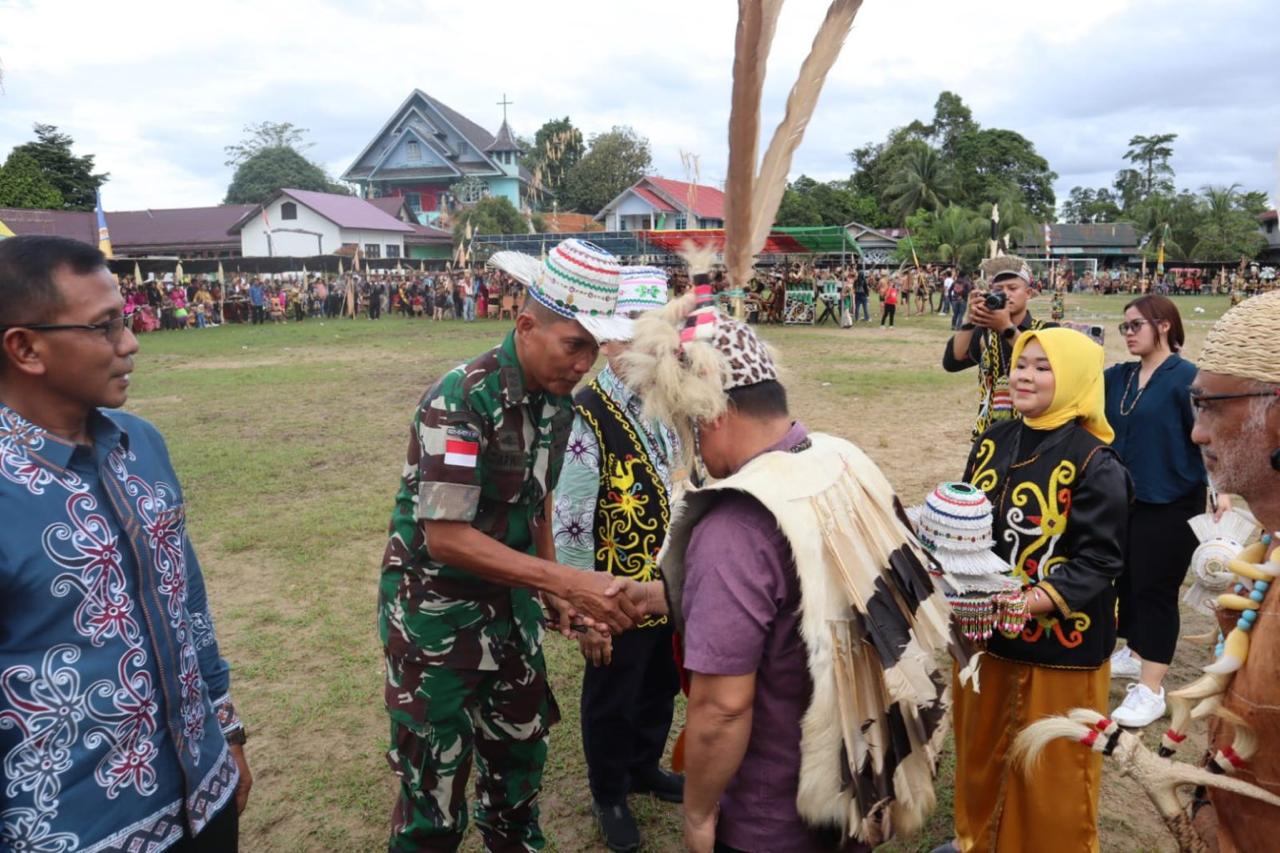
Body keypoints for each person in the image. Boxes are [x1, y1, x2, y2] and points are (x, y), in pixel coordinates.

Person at [614, 289, 957, 853]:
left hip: (772, 818)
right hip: (859, 780)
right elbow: (810, 591)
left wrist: (697, 815)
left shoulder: (736, 526)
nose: (687, 442)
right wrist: (660, 595)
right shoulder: (842, 461)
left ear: (710, 415)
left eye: (684, 425)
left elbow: (723, 708)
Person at [378, 238, 645, 851]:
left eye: (594, 349)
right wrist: (565, 580)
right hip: (436, 624)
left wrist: (554, 594)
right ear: (526, 326)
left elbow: (536, 503)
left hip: (512, 617)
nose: (585, 364)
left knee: (518, 780)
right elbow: (446, 537)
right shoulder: (461, 398)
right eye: (574, 345)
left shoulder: (558, 405)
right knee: (433, 806)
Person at [0, 235, 252, 852]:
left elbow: (188, 603)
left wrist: (227, 732)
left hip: (206, 796)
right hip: (74, 831)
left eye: (126, 319)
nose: (131, 342)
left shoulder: (141, 444)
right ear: (25, 348)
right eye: (104, 326)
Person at [943, 328, 1130, 853]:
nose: (1024, 376)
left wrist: (1027, 602)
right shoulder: (994, 439)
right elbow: (968, 519)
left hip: (1059, 646)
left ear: (1074, 379)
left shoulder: (1096, 461)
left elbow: (1100, 561)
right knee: (981, 751)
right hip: (985, 634)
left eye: (1043, 368)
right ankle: (977, 840)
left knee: (1051, 769)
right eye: (1021, 364)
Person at [553, 266, 682, 852]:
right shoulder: (588, 411)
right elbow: (572, 520)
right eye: (635, 336)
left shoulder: (668, 400)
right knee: (613, 695)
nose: (649, 349)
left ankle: (643, 767)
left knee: (660, 683)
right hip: (614, 595)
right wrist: (586, 611)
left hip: (665, 585)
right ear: (608, 341)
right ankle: (609, 792)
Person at [1105, 296, 1227, 727]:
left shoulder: (1187, 378)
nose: (1128, 333)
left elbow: (1210, 434)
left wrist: (1220, 487)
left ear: (1163, 325)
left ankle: (1151, 690)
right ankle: (1136, 651)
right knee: (1126, 581)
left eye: (1136, 324)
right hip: (1121, 499)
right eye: (1124, 326)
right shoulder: (1120, 377)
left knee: (1155, 590)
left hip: (1172, 500)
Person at [943, 255, 1057, 442]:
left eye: (1012, 288)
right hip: (990, 434)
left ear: (1028, 293)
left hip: (1036, 433)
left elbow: (1047, 362)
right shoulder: (985, 333)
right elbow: (952, 362)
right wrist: (969, 320)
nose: (1006, 294)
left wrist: (1006, 327)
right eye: (998, 290)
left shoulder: (1047, 331)